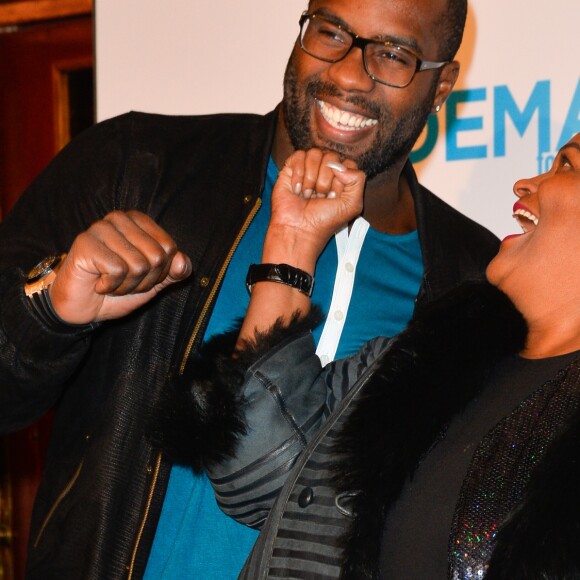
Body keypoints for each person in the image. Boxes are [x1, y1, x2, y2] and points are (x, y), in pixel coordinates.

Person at [0, 0, 498, 577]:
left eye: (392, 54)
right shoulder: (138, 167)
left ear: (442, 86)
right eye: (330, 31)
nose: (343, 73)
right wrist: (52, 309)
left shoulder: (469, 280)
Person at [164, 133, 580, 578]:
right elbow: (256, 475)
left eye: (569, 167)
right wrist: (293, 240)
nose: (524, 183)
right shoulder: (429, 356)